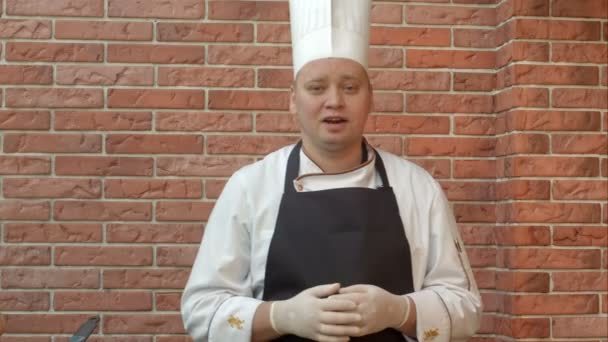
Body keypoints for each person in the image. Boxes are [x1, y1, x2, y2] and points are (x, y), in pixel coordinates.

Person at [181, 0, 482, 341]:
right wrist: (281, 316)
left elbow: (466, 308)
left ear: (371, 98)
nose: (335, 101)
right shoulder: (250, 187)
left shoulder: (418, 187)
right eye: (316, 87)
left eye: (350, 87)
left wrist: (401, 311)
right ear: (293, 99)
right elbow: (201, 311)